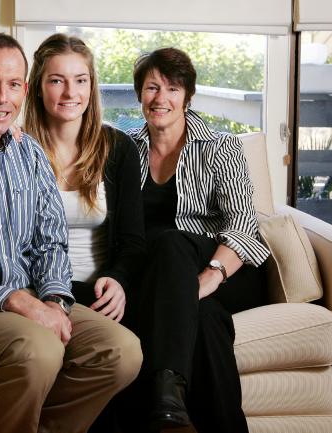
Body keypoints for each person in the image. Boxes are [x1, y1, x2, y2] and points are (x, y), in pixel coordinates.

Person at [0, 31, 143, 433]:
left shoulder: (28, 152)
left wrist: (53, 297)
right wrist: (17, 300)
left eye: (13, 84)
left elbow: (50, 242)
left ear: (24, 88)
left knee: (121, 350)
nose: (2, 98)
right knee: (37, 348)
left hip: (32, 301)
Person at [125, 47, 270, 432]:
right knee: (204, 321)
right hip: (162, 275)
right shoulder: (125, 150)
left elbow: (242, 222)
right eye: (152, 87)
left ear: (187, 97)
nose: (161, 98)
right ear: (139, 93)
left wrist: (208, 278)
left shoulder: (221, 146)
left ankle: (165, 391)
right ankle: (179, 416)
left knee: (173, 240)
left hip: (225, 267)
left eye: (173, 88)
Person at [23, 32, 145, 325]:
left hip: (101, 292)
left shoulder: (118, 147)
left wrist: (118, 280)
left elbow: (133, 240)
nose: (70, 93)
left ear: (92, 86)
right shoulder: (17, 149)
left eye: (80, 80)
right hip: (35, 292)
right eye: (56, 80)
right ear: (38, 87)